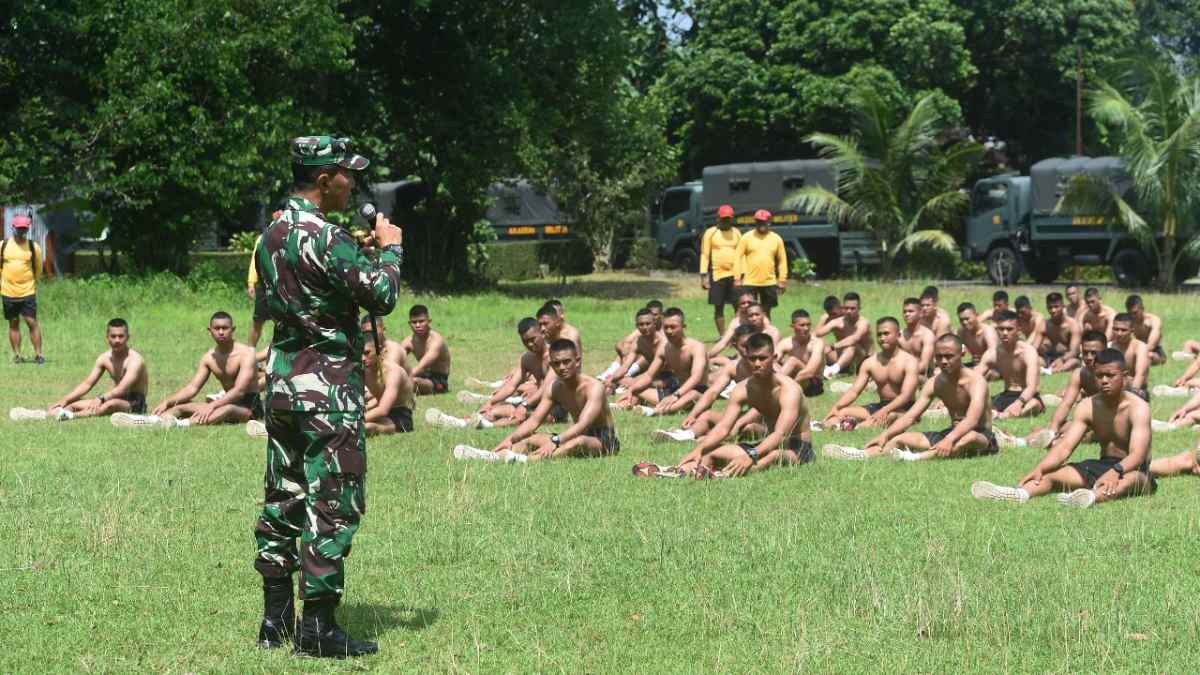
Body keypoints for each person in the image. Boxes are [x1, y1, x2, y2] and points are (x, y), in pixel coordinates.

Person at [250, 135, 402, 658]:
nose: (351, 183)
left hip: (284, 384)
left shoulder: (270, 233)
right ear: (323, 180)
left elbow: (276, 299)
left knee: (283, 496)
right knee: (332, 503)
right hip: (328, 389)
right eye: (346, 175)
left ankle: (275, 622)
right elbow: (382, 295)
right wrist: (392, 249)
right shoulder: (326, 234)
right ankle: (317, 630)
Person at [971, 348, 1154, 509]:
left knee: (1127, 482)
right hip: (1101, 465)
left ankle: (1089, 497)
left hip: (1135, 471)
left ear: (1125, 375)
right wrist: (1041, 469)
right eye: (1099, 376)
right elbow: (1065, 447)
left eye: (1111, 375)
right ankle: (1017, 495)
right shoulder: (1088, 406)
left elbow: (1138, 454)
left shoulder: (1138, 408)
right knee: (1052, 476)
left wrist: (1116, 472)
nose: (1104, 381)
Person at [823, 334, 997, 461]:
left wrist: (949, 440)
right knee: (898, 439)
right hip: (950, 433)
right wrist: (886, 434)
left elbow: (973, 420)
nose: (944, 361)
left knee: (969, 437)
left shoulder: (976, 382)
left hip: (981, 438)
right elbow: (911, 416)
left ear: (962, 354)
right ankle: (860, 455)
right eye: (939, 357)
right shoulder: (934, 382)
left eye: (949, 356)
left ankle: (914, 458)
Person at [665, 333, 813, 477]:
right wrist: (699, 450)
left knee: (771, 457)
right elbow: (723, 428)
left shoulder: (789, 389)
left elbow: (781, 434)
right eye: (752, 358)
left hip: (798, 447)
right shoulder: (742, 389)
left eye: (762, 358)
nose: (757, 364)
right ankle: (680, 471)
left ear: (774, 358)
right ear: (745, 357)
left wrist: (752, 455)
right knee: (713, 454)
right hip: (767, 443)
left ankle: (722, 475)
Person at [454, 339, 619, 462]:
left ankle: (522, 461)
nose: (562, 367)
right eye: (556, 363)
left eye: (566, 362)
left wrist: (555, 441)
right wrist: (509, 440)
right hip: (573, 434)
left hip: (604, 441)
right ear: (552, 365)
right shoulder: (554, 388)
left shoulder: (594, 387)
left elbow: (583, 424)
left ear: (578, 362)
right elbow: (533, 421)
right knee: (532, 438)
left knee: (578, 442)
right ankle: (490, 456)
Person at [111, 311, 259, 428]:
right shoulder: (209, 358)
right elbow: (192, 388)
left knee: (226, 410)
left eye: (225, 328)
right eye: (217, 328)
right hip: (224, 403)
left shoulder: (246, 355)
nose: (221, 332)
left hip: (249, 408)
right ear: (210, 331)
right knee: (182, 407)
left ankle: (180, 425)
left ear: (232, 330)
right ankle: (150, 421)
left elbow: (239, 391)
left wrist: (212, 406)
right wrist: (168, 402)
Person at [428, 317, 560, 429]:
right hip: (534, 402)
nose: (530, 344)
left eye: (533, 339)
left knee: (517, 413)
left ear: (542, 334)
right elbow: (511, 386)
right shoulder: (527, 358)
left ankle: (485, 425)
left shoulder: (555, 357)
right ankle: (459, 422)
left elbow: (545, 388)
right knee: (498, 407)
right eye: (525, 341)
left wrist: (524, 405)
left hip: (554, 409)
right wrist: (491, 401)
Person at [11, 318, 148, 421]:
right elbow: (87, 383)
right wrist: (65, 400)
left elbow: (122, 389)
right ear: (107, 338)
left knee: (109, 405)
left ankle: (69, 417)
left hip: (135, 403)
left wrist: (101, 398)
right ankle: (39, 414)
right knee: (74, 404)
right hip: (113, 397)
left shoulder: (135, 360)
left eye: (121, 336)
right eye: (113, 336)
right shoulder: (104, 358)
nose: (117, 340)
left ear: (127, 337)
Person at [654, 324, 760, 442]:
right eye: (744, 346)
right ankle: (686, 435)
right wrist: (693, 415)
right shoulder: (733, 367)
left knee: (748, 428)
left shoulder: (766, 369)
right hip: (746, 415)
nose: (749, 350)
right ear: (735, 346)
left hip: (767, 420)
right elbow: (712, 392)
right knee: (706, 415)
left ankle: (706, 437)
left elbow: (763, 406)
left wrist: (739, 422)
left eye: (754, 345)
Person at [1011, 332, 1106, 448]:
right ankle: (1017, 441)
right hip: (1092, 419)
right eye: (1086, 353)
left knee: (1073, 432)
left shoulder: (1113, 376)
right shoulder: (1080, 374)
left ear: (1105, 351)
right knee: (1059, 427)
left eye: (1094, 353)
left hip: (1112, 423)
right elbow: (1066, 404)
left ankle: (1036, 442)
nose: (1089, 357)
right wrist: (1052, 430)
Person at [823, 317, 919, 430]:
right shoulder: (870, 362)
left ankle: (853, 427)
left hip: (904, 409)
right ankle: (837, 425)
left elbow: (906, 396)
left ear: (898, 335)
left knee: (887, 417)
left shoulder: (910, 362)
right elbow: (854, 391)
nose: (882, 338)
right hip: (882, 406)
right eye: (879, 334)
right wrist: (836, 407)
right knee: (842, 412)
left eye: (886, 334)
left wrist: (884, 411)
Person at [616, 307, 709, 416]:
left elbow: (696, 378)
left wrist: (676, 395)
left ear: (684, 327)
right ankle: (626, 404)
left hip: (697, 392)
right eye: (666, 327)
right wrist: (631, 390)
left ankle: (654, 411)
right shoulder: (665, 348)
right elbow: (649, 376)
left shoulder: (697, 347)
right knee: (639, 390)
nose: (669, 331)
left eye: (673, 327)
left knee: (692, 395)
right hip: (676, 390)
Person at [980, 310, 1044, 418]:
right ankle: (1002, 414)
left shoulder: (1028, 352)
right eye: (1001, 329)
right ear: (996, 330)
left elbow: (1032, 386)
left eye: (1009, 329)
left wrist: (1019, 403)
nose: (1005, 333)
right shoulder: (993, 353)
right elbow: (974, 377)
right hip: (1006, 395)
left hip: (1026, 397)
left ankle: (1002, 415)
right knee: (980, 403)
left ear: (1018, 329)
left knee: (1034, 405)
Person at [2, 213, 44, 364]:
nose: (21, 231)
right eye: (19, 228)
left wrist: (32, 283)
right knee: (13, 323)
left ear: (28, 229)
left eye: (24, 229)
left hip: (27, 292)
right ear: (12, 227)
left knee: (32, 322)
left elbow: (38, 269)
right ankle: (17, 355)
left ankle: (39, 355)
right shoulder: (3, 246)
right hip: (8, 292)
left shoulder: (34, 247)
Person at [732, 209, 787, 317]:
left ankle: (765, 333)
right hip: (750, 282)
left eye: (764, 221)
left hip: (769, 281)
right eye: (758, 222)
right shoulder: (746, 237)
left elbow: (782, 260)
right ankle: (749, 333)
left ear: (769, 222)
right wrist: (737, 278)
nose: (761, 224)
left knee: (766, 312)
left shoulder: (776, 239)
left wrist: (782, 280)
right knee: (749, 312)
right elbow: (737, 258)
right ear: (755, 222)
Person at [361, 329, 415, 435]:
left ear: (379, 350)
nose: (363, 358)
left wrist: (354, 421)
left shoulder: (394, 372)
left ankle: (385, 429)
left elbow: (383, 410)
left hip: (400, 415)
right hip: (378, 411)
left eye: (367, 353)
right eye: (360, 353)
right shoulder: (363, 371)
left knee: (366, 427)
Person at [700, 204, 742, 335]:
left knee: (738, 306)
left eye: (728, 218)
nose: (726, 221)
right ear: (718, 218)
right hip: (717, 275)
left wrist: (741, 275)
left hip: (734, 275)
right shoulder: (710, 233)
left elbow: (742, 255)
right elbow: (705, 254)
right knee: (719, 307)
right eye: (724, 218)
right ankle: (722, 336)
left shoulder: (736, 233)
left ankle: (737, 334)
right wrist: (704, 276)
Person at [602, 308, 665, 394]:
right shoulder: (638, 342)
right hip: (652, 376)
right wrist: (611, 378)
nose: (645, 327)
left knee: (635, 387)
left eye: (648, 324)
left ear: (654, 324)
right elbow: (625, 367)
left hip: (668, 378)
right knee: (615, 385)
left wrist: (632, 380)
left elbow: (651, 374)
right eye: (641, 324)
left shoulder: (663, 343)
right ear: (636, 326)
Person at [396, 304, 451, 394]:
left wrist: (399, 379)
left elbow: (421, 367)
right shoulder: (409, 341)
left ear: (429, 321)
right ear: (409, 323)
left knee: (412, 382)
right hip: (421, 375)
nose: (418, 325)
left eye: (421, 321)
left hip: (438, 380)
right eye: (414, 322)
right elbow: (395, 359)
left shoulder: (436, 341)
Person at [816, 291, 872, 378]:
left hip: (863, 359)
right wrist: (824, 318)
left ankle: (831, 371)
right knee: (819, 343)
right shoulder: (838, 322)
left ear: (859, 308)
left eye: (852, 308)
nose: (849, 311)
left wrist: (833, 346)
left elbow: (854, 338)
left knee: (851, 346)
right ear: (843, 307)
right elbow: (816, 334)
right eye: (846, 308)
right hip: (844, 359)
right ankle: (814, 368)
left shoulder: (863, 323)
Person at [710, 302, 778, 369]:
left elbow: (772, 357)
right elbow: (722, 343)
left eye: (757, 315)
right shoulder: (744, 330)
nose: (754, 318)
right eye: (751, 316)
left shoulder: (772, 332)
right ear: (746, 318)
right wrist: (707, 357)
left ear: (764, 315)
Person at [776, 309, 825, 397]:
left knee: (792, 361)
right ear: (792, 326)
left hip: (813, 383)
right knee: (772, 363)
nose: (806, 328)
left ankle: (774, 389)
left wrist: (789, 385)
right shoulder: (786, 342)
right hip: (793, 380)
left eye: (808, 325)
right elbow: (772, 361)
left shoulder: (817, 343)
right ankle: (772, 387)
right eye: (802, 325)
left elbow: (810, 372)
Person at [707, 289, 764, 359]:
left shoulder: (761, 319)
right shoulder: (736, 322)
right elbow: (723, 343)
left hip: (760, 354)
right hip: (743, 356)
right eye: (743, 303)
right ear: (739, 306)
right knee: (716, 360)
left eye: (749, 302)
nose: (746, 305)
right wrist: (705, 357)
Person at [1109, 313, 1150, 401]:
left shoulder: (1140, 347)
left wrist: (1132, 396)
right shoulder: (1109, 346)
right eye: (1116, 329)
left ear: (1132, 330)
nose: (1119, 333)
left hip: (1136, 389)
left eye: (1123, 330)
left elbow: (1141, 374)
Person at [1040, 292, 1081, 372]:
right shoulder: (1045, 324)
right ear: (1047, 307)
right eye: (1050, 307)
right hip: (1049, 357)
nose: (1053, 310)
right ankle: (1047, 369)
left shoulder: (1073, 325)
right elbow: (1034, 346)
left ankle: (1053, 371)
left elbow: (1074, 351)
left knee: (1074, 362)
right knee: (1036, 360)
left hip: (1068, 358)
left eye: (1056, 307)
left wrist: (1061, 359)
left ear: (1063, 306)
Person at [956, 302, 997, 372]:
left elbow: (993, 352)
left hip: (994, 366)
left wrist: (983, 362)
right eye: (961, 320)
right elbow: (955, 349)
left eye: (967, 319)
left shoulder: (987, 331)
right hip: (976, 365)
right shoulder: (961, 332)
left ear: (976, 316)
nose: (964, 322)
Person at [899, 297, 935, 376]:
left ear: (921, 313)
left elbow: (924, 366)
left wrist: (905, 374)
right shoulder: (899, 335)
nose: (907, 314)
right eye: (904, 312)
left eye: (910, 311)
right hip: (903, 374)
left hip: (924, 376)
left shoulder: (927, 335)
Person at [1124, 295, 1164, 366]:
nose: (1133, 316)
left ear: (1142, 309)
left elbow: (1151, 345)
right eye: (1130, 313)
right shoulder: (1128, 321)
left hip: (1155, 350)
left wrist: (1138, 354)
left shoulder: (1153, 320)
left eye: (1135, 313)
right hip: (1137, 348)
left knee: (1149, 356)